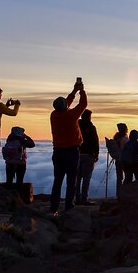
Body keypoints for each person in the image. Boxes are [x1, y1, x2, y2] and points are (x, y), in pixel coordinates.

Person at [49, 78, 87, 215]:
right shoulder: (71, 115)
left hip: (58, 152)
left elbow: (65, 104)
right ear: (66, 107)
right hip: (71, 152)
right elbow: (83, 104)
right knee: (72, 181)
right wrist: (81, 90)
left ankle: (53, 209)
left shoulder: (54, 115)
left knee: (57, 181)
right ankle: (69, 208)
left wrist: (74, 91)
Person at [76, 110, 99, 205]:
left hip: (76, 154)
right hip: (88, 155)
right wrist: (96, 154)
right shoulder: (91, 127)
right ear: (89, 117)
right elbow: (95, 141)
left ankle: (76, 199)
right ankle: (84, 199)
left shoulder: (76, 126)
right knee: (86, 178)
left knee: (76, 178)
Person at [113, 123, 129, 198]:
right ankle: (124, 193)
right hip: (125, 160)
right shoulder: (125, 139)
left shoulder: (116, 138)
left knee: (119, 178)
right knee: (127, 176)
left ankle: (118, 194)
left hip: (117, 160)